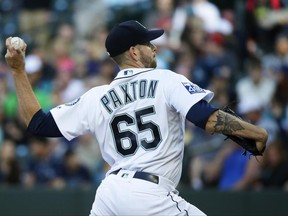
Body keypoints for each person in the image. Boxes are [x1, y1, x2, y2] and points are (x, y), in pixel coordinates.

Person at [5, 20, 268, 216]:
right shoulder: (165, 78)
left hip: (109, 197)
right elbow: (206, 118)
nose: (154, 47)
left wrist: (18, 71)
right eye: (148, 43)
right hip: (149, 194)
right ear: (133, 52)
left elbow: (37, 123)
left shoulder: (96, 97)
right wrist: (257, 133)